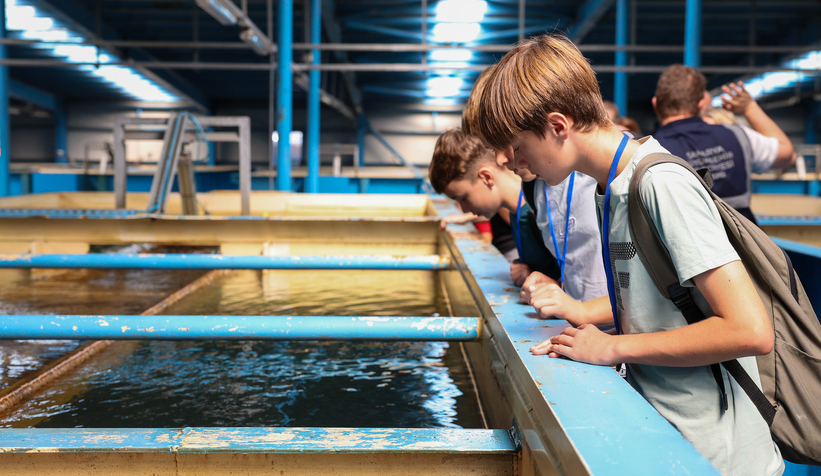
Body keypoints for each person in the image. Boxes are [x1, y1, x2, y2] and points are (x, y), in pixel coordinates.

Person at [477, 33, 783, 476]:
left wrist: (611, 346)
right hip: (668, 434)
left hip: (719, 457)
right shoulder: (610, 189)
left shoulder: (659, 183)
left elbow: (750, 330)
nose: (510, 160)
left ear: (558, 126)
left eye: (518, 146)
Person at [462, 64, 608, 307]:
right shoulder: (537, 187)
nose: (500, 160)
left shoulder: (600, 178)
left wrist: (586, 315)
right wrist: (554, 282)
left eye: (507, 145)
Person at [652, 65, 796, 224]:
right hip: (740, 245)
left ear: (655, 104)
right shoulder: (738, 135)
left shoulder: (647, 152)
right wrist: (749, 108)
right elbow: (787, 154)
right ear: (701, 105)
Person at [429, 129, 560, 285]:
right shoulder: (517, 210)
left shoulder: (541, 210)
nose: (464, 209)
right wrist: (530, 271)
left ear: (487, 177)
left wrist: (548, 282)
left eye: (463, 198)